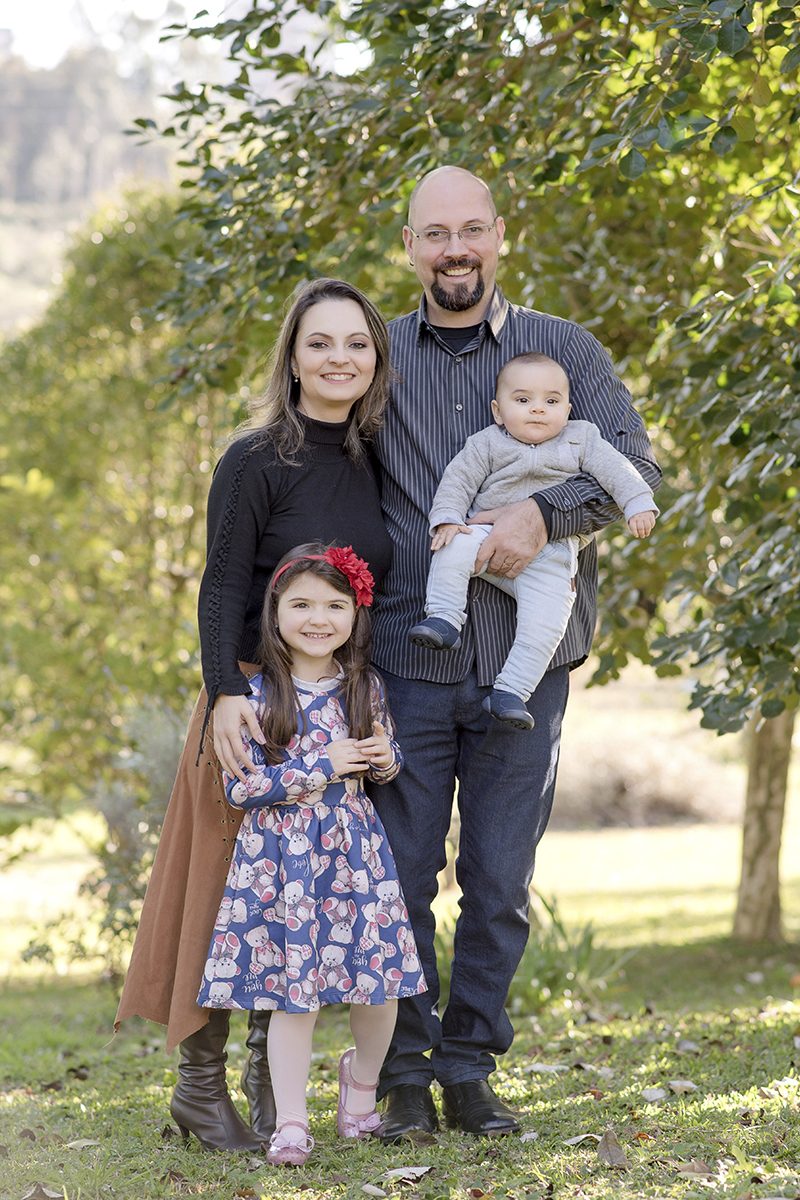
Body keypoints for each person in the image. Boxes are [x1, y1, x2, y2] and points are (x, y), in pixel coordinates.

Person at [368, 166, 662, 1140]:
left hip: (523, 674)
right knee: (402, 877)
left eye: (470, 230)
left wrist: (545, 512)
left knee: (497, 884)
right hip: (407, 659)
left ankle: (467, 1069)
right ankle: (402, 1076)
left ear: (499, 235)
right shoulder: (374, 354)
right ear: (410, 247)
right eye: (434, 234)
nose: (454, 249)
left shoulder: (564, 350)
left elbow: (634, 466)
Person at [115, 279, 395, 1152]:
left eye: (357, 342)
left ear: (377, 358)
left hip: (333, 701)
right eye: (320, 342)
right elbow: (222, 584)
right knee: (219, 892)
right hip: (251, 700)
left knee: (296, 899)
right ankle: (200, 1088)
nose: (340, 357)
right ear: (293, 358)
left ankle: (272, 1089)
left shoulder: (379, 458)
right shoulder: (254, 458)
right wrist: (225, 695)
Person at [195, 544, 426, 1166]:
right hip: (284, 860)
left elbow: (382, 765)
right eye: (300, 605)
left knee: (379, 985)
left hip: (354, 854)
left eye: (334, 605)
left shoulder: (365, 687)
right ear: (274, 613)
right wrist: (320, 765)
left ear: (355, 615)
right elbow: (241, 788)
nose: (318, 618)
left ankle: (361, 1091)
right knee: (294, 993)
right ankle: (292, 1122)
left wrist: (385, 758)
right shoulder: (252, 694)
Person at [408, 351, 657, 730]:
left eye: (551, 401)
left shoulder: (582, 438)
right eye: (523, 400)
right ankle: (444, 618)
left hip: (552, 553)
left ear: (567, 410)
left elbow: (617, 469)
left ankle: (512, 691)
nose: (538, 409)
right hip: (488, 534)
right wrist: (447, 518)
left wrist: (637, 502)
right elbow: (457, 480)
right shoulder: (486, 443)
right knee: (452, 545)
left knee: (549, 621)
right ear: (498, 411)